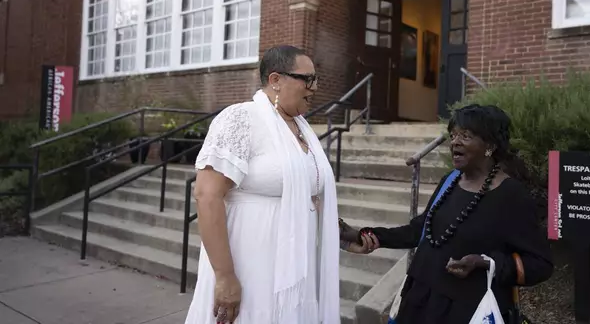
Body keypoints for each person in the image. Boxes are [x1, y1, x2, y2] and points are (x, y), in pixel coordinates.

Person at [343, 104, 553, 324]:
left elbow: (540, 264)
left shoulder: (511, 195)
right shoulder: (450, 181)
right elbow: (419, 230)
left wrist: (486, 263)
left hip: (467, 311)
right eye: (453, 135)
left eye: (466, 136)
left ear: (489, 146)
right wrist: (363, 235)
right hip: (419, 302)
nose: (455, 142)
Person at [184, 45, 340, 324]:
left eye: (316, 80)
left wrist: (342, 233)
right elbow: (207, 195)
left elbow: (308, 196)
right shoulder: (242, 118)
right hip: (251, 263)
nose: (314, 88)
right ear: (275, 80)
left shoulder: (301, 129)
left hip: (296, 266)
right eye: (308, 79)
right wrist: (225, 276)